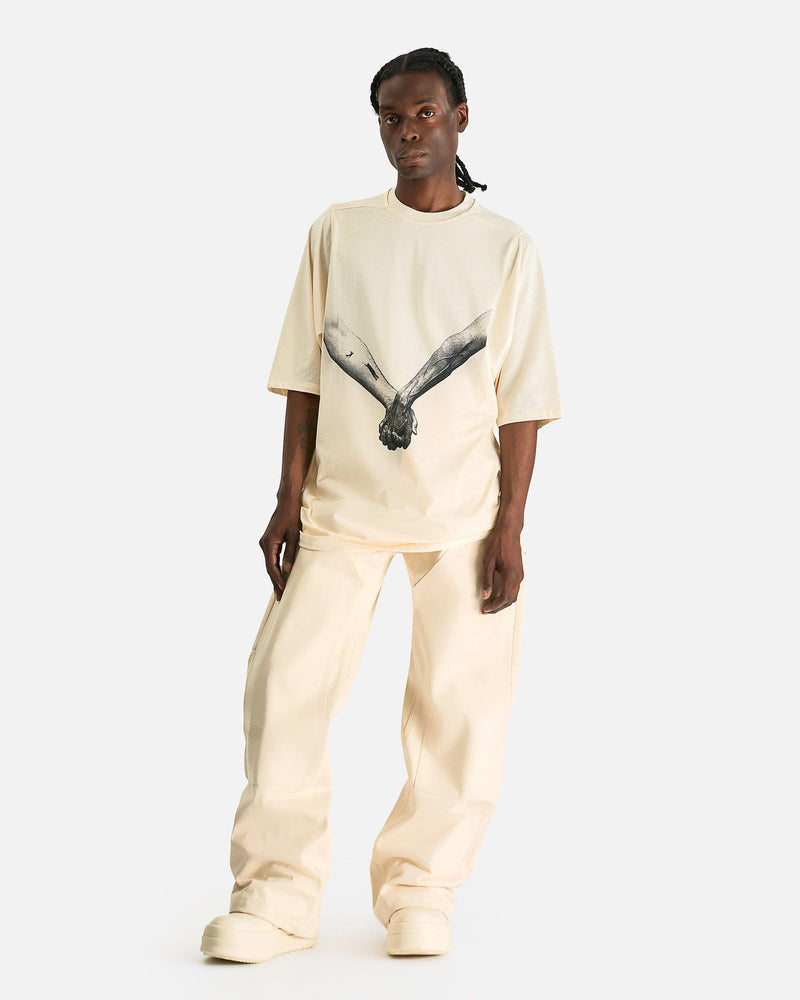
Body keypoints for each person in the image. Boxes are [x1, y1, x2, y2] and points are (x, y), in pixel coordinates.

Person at [200, 45, 562, 964]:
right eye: (392, 118)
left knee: (460, 706)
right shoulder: (339, 230)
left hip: (462, 511)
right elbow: (306, 373)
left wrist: (511, 525)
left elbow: (521, 399)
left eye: (425, 114)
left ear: (460, 119)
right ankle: (276, 896)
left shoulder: (506, 247)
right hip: (342, 506)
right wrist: (287, 498)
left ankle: (421, 890)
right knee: (284, 689)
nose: (408, 132)